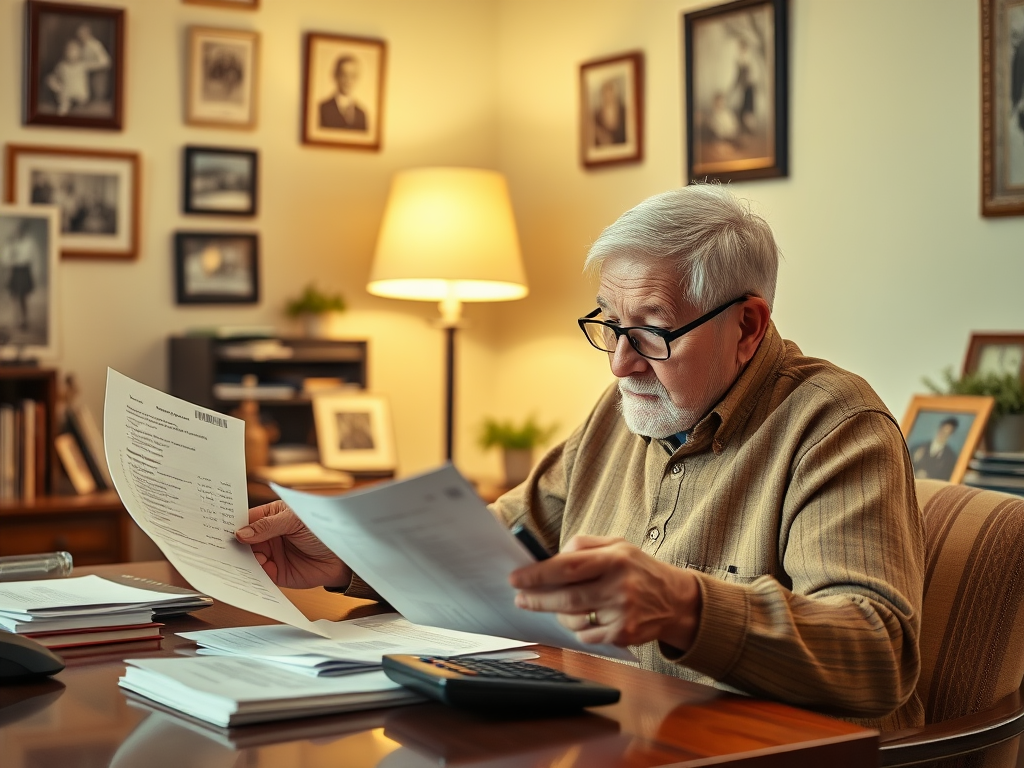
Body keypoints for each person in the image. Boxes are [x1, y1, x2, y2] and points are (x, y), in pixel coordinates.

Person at [235, 184, 925, 729]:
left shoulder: (835, 426)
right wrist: (350, 557)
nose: (622, 364)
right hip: (616, 735)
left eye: (653, 332)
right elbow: (493, 553)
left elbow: (878, 651)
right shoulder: (619, 414)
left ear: (747, 325)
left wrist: (685, 606)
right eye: (608, 324)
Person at [1, 220, 41, 332]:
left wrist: (34, 274)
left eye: (20, 229)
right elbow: (4, 258)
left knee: (23, 297)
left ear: (24, 230)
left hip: (24, 271)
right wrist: (10, 259)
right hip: (14, 271)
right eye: (16, 229)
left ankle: (24, 320)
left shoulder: (29, 243)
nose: (17, 231)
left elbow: (32, 258)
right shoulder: (10, 242)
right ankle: (16, 320)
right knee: (14, 296)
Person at [319, 55, 367, 130]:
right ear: (336, 76)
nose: (348, 80)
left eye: (352, 76)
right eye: (344, 75)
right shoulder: (323, 108)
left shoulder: (361, 114)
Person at [593, 77, 626, 146]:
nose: (608, 96)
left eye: (610, 92)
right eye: (605, 93)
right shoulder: (596, 115)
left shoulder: (624, 111)